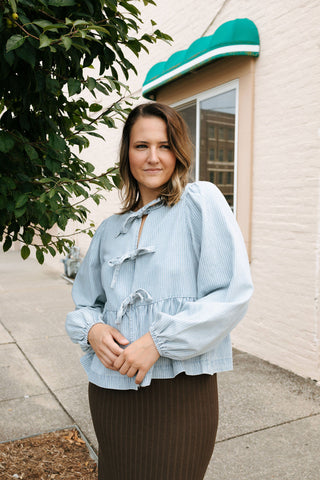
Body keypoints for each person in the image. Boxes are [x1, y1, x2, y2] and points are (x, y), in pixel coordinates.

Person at [65, 102, 253, 480]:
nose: (153, 157)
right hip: (110, 391)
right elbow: (86, 302)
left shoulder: (201, 203)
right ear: (127, 154)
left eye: (164, 146)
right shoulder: (109, 230)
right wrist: (93, 330)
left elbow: (231, 294)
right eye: (141, 146)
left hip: (180, 394)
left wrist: (157, 341)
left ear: (178, 152)